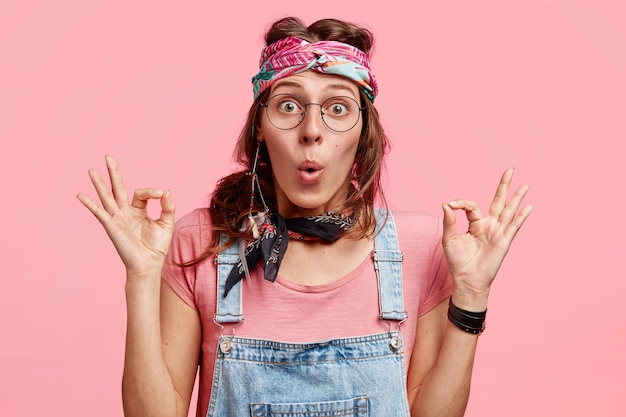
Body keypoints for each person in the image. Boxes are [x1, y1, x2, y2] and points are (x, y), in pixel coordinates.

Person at [77, 16, 532, 417]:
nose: (311, 130)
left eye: (337, 108)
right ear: (260, 124)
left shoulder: (421, 247)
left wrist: (471, 294)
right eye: (289, 106)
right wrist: (140, 276)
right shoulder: (200, 240)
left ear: (364, 131)